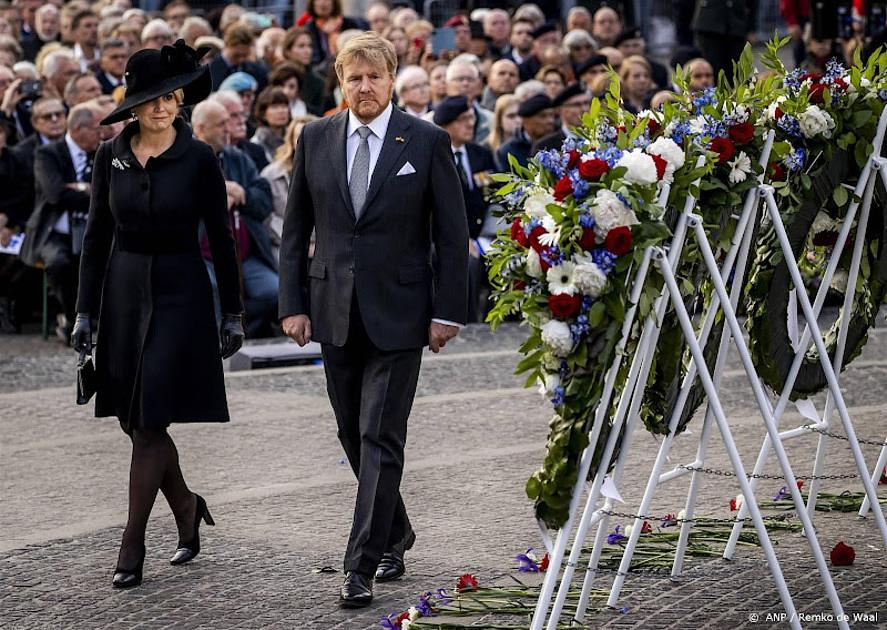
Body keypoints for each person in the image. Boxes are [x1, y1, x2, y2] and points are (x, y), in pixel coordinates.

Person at [279, 31, 468, 608]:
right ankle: (396, 531)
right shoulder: (314, 138)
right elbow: (295, 233)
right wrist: (292, 305)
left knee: (379, 434)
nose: (365, 87)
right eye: (354, 77)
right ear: (341, 82)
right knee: (350, 432)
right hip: (333, 310)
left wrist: (447, 312)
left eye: (375, 77)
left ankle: (359, 562)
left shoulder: (427, 140)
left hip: (402, 314)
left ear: (392, 80)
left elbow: (452, 235)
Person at [70, 40, 244, 590]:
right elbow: (96, 237)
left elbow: (221, 236)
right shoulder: (110, 155)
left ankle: (132, 542)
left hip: (180, 295)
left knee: (148, 423)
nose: (163, 107)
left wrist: (233, 312)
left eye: (170, 97)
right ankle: (188, 506)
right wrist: (82, 313)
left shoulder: (198, 158)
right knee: (131, 418)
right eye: (151, 100)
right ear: (133, 105)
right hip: (121, 295)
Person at [21, 102, 101, 342]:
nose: (101, 135)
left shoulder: (100, 152)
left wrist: (85, 190)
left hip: (90, 228)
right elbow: (55, 193)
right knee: (59, 261)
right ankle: (71, 316)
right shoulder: (48, 154)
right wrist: (91, 193)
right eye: (96, 130)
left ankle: (97, 316)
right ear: (78, 129)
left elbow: (109, 192)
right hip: (53, 230)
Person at [433, 95, 497, 323]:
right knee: (467, 264)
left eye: (471, 118)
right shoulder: (434, 154)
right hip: (444, 238)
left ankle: (500, 322)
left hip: (483, 235)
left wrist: (489, 235)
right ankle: (467, 324)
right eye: (462, 119)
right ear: (446, 124)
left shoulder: (481, 154)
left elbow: (495, 197)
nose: (470, 124)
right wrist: (461, 239)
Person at [260, 114, 316, 260]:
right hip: (283, 244)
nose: (303, 142)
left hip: (323, 247)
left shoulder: (334, 173)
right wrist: (298, 244)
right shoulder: (271, 174)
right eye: (298, 136)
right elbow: (268, 217)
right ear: (290, 140)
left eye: (311, 137)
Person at [692, 0, 758, 78]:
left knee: (736, 70)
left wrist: (752, 29)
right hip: (709, 25)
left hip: (736, 26)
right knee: (711, 69)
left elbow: (753, 4)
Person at [496, 93, 555, 170]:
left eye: (552, 115)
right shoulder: (508, 151)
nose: (550, 121)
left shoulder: (560, 142)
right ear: (525, 121)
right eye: (542, 116)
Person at [533, 82, 591, 153]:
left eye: (586, 103)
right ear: (560, 110)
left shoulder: (598, 139)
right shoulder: (545, 146)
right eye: (576, 105)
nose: (584, 109)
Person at [251, 86, 290, 164]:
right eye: (274, 107)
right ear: (263, 114)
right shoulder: (257, 143)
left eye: (284, 106)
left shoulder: (294, 137)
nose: (281, 111)